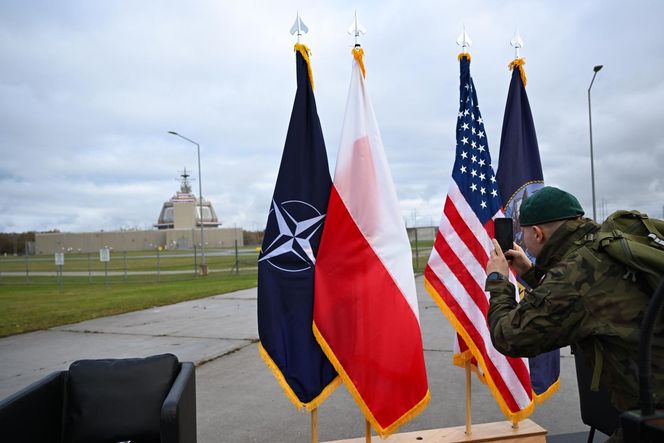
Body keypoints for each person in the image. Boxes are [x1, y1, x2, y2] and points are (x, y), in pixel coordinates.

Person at [484, 186, 664, 442]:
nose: (523, 240)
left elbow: (510, 336)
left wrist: (498, 281)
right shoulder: (604, 242)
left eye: (523, 233)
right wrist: (530, 272)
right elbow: (582, 298)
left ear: (537, 233)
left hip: (654, 415)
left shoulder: (573, 275)